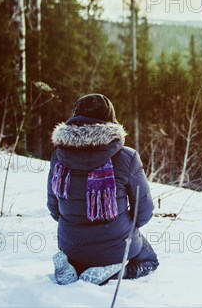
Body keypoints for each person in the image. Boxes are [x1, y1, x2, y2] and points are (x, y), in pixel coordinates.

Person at [47, 93, 159, 285]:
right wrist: (123, 225)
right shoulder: (127, 157)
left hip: (72, 246)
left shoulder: (59, 157)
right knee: (150, 259)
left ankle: (72, 267)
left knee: (81, 252)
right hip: (114, 249)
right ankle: (114, 273)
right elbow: (144, 211)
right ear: (111, 120)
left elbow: (54, 208)